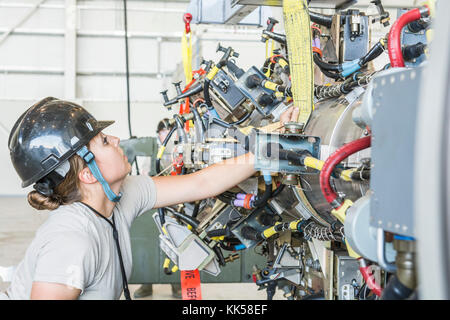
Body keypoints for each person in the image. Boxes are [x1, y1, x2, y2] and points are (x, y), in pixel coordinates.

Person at [1, 97, 298, 300]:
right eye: (104, 141)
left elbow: (201, 183)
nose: (116, 140)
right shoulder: (71, 241)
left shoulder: (121, 195)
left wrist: (271, 145)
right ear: (87, 174)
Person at [133, 119, 181, 299]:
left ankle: (176, 285)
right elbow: (144, 174)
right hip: (152, 206)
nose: (167, 135)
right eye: (164, 131)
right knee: (148, 246)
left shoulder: (179, 149)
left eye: (170, 131)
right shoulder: (150, 150)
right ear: (158, 134)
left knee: (174, 244)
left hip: (175, 207)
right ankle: (147, 284)